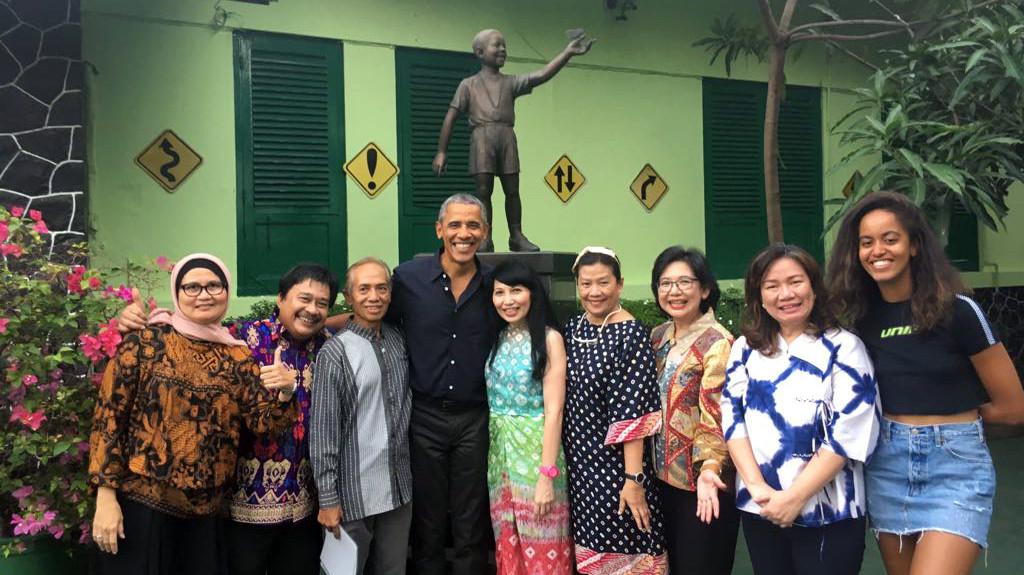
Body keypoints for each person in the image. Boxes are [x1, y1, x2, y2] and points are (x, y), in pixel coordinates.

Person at [826, 191, 1024, 575]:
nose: (877, 250)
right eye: (866, 242)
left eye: (890, 239)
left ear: (914, 246)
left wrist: (951, 421)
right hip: (886, 465)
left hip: (956, 468)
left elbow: (1014, 407)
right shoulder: (859, 320)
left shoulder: (958, 310)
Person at [115, 263, 340, 575]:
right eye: (304, 298)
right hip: (241, 508)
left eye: (322, 303)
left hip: (303, 507)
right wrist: (138, 323)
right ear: (280, 299)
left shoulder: (330, 348)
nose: (312, 310)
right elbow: (194, 326)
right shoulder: (242, 339)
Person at [721, 244, 879, 575]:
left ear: (814, 287)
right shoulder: (745, 349)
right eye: (772, 285)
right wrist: (758, 488)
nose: (786, 294)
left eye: (796, 281)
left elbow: (851, 430)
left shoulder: (844, 347)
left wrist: (794, 498)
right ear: (758, 296)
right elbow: (733, 419)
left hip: (830, 510)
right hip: (760, 507)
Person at [380, 193, 495, 575]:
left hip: (476, 419)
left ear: (485, 232)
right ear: (440, 229)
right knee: (427, 518)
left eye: (473, 225)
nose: (464, 233)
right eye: (456, 224)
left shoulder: (496, 284)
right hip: (423, 416)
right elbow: (374, 318)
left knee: (471, 516)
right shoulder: (409, 280)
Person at [432, 28, 593, 252]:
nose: (502, 49)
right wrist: (442, 150)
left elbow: (542, 74)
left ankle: (516, 234)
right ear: (479, 52)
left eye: (504, 45)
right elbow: (451, 115)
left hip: (506, 136)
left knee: (512, 189)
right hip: (481, 137)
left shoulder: (510, 82)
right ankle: (485, 237)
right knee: (483, 190)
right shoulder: (468, 85)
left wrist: (568, 53)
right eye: (496, 45)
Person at [562, 246, 667, 574]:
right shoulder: (573, 329)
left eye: (603, 283)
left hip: (616, 471)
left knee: (627, 544)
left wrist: (633, 479)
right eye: (585, 284)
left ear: (619, 285)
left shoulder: (630, 334)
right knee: (591, 556)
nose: (594, 292)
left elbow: (632, 412)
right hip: (580, 469)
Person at [311, 257, 413, 575]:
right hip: (351, 497)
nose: (374, 296)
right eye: (364, 289)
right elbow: (323, 430)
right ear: (349, 296)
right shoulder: (335, 353)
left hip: (398, 492)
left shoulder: (398, 340)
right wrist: (327, 499)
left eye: (381, 288)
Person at [648, 247, 739, 575]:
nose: (674, 291)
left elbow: (717, 413)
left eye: (684, 282)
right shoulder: (659, 337)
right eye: (665, 283)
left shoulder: (719, 343)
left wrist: (710, 468)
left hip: (703, 483)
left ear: (704, 289)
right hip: (660, 481)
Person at [485, 260, 572, 574]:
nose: (508, 300)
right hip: (499, 460)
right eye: (499, 293)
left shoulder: (549, 340)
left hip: (537, 455)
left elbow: (554, 411)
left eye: (516, 291)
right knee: (507, 543)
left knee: (544, 546)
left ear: (532, 294)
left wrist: (546, 476)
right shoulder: (497, 338)